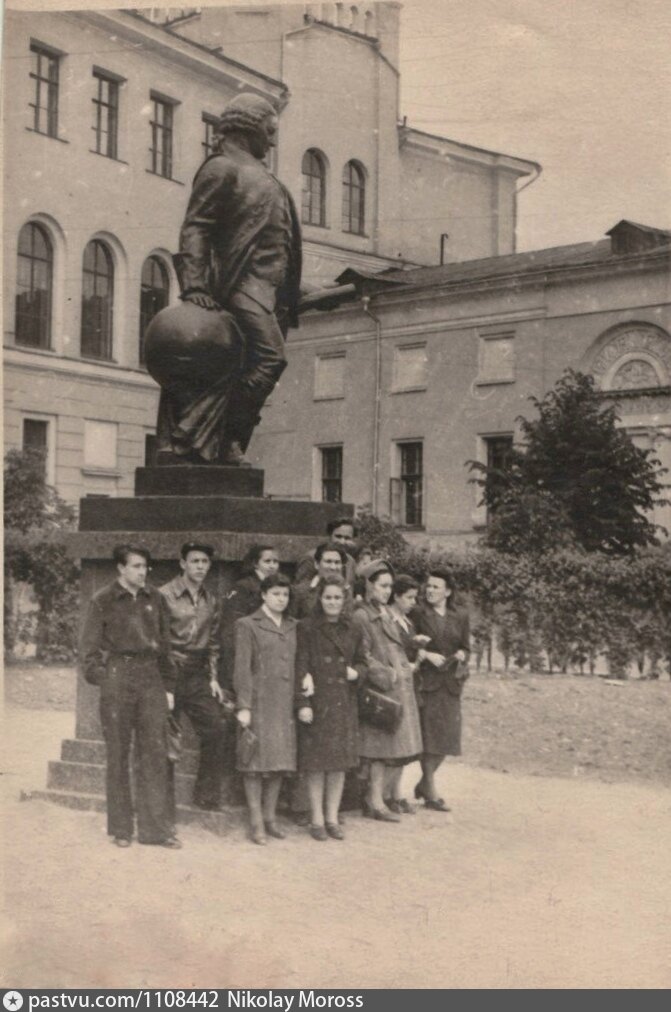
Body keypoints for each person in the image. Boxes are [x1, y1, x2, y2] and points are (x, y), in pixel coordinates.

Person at [175, 92, 302, 465]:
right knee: (270, 359)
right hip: (238, 286)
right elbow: (196, 227)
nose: (273, 140)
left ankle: (227, 442)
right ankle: (226, 437)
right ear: (248, 127)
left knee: (253, 364)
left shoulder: (265, 178)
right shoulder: (221, 168)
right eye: (269, 130)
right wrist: (194, 286)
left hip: (267, 292)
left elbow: (278, 248)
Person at [79, 545, 180, 848]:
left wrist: (168, 687)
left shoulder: (156, 598)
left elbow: (165, 645)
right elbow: (88, 652)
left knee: (155, 754)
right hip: (118, 677)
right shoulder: (103, 600)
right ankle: (121, 829)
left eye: (144, 566)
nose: (142, 571)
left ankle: (155, 830)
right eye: (136, 566)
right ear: (121, 568)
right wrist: (107, 680)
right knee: (118, 754)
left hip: (151, 678)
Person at [295, 575, 367, 841]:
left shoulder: (354, 628)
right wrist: (302, 702)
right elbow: (300, 665)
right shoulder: (307, 627)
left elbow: (362, 661)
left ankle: (332, 818)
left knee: (338, 764)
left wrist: (356, 673)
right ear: (320, 599)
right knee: (316, 764)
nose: (332, 602)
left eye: (337, 598)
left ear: (344, 600)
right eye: (328, 597)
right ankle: (316, 819)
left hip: (343, 700)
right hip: (318, 700)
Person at [352, 560, 423, 822]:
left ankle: (385, 797)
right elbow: (363, 654)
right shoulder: (361, 616)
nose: (387, 591)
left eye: (389, 586)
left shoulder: (383, 612)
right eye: (382, 586)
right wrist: (388, 674)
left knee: (391, 749)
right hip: (380, 689)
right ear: (368, 585)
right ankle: (375, 801)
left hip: (396, 686)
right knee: (378, 750)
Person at [160, 542, 228, 813]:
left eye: (204, 562)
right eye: (195, 561)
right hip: (170, 671)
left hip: (198, 674)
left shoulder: (211, 600)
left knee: (217, 727)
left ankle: (206, 795)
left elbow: (213, 642)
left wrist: (213, 678)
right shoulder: (165, 595)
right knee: (166, 735)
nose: (200, 566)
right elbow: (159, 639)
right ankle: (162, 801)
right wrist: (165, 679)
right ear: (183, 564)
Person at [233, 573, 297, 845]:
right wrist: (244, 705)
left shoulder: (293, 626)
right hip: (260, 702)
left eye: (285, 594)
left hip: (285, 703)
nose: (281, 599)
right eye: (275, 594)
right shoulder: (248, 625)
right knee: (255, 764)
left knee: (279, 763)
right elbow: (242, 669)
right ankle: (256, 821)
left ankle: (270, 818)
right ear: (263, 595)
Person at [412, 568, 471, 812]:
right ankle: (431, 791)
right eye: (428, 586)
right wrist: (426, 655)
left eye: (436, 587)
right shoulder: (418, 613)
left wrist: (462, 654)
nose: (430, 590)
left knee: (447, 740)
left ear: (447, 591)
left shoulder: (460, 615)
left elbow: (466, 647)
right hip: (428, 684)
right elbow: (408, 643)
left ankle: (424, 784)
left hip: (451, 685)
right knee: (430, 739)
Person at [220, 544, 280, 686]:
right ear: (255, 564)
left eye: (275, 561)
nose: (272, 566)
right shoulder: (244, 587)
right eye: (267, 561)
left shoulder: (279, 587)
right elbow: (233, 626)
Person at [291, 542, 350, 619]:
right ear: (317, 564)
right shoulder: (300, 591)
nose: (333, 567)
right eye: (328, 562)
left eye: (337, 562)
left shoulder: (346, 591)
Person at [294, 517, 358, 586]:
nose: (342, 542)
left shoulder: (351, 562)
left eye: (347, 538)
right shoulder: (311, 558)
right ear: (329, 536)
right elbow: (301, 588)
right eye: (338, 536)